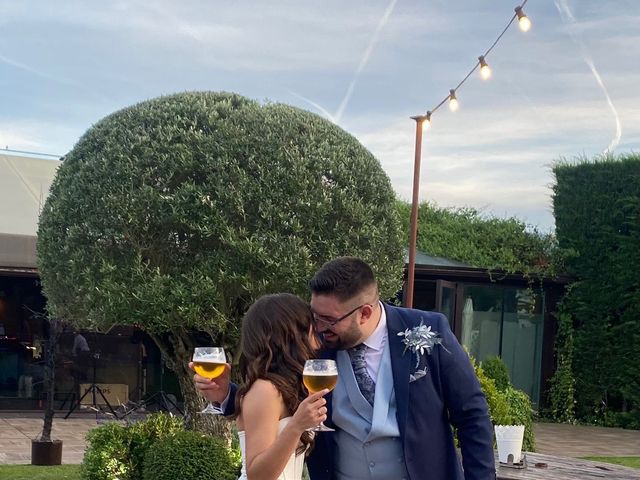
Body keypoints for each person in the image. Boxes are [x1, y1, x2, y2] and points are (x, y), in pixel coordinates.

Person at [196, 258, 495, 480]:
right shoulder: (317, 345)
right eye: (315, 315)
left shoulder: (427, 331)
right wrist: (226, 395)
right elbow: (278, 399)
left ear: (364, 313)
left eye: (328, 319)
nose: (318, 327)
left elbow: (472, 414)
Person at [192, 293, 328, 480]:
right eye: (311, 324)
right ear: (293, 334)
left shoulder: (287, 386)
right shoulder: (266, 389)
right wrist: (296, 426)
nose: (318, 330)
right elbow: (257, 475)